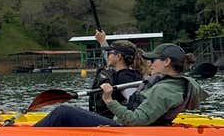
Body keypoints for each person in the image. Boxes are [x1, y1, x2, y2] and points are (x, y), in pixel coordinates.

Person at [34, 43, 205, 127]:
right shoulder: (180, 84)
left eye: (153, 60)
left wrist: (109, 100)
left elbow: (137, 120)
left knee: (64, 111)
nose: (150, 64)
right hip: (133, 125)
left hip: (124, 129)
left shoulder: (165, 89)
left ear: (167, 62)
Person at [88, 30, 148, 117]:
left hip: (113, 122)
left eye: (110, 53)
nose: (108, 55)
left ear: (118, 57)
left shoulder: (125, 77)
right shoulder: (123, 72)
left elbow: (137, 104)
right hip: (107, 118)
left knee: (65, 111)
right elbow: (109, 58)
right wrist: (102, 41)